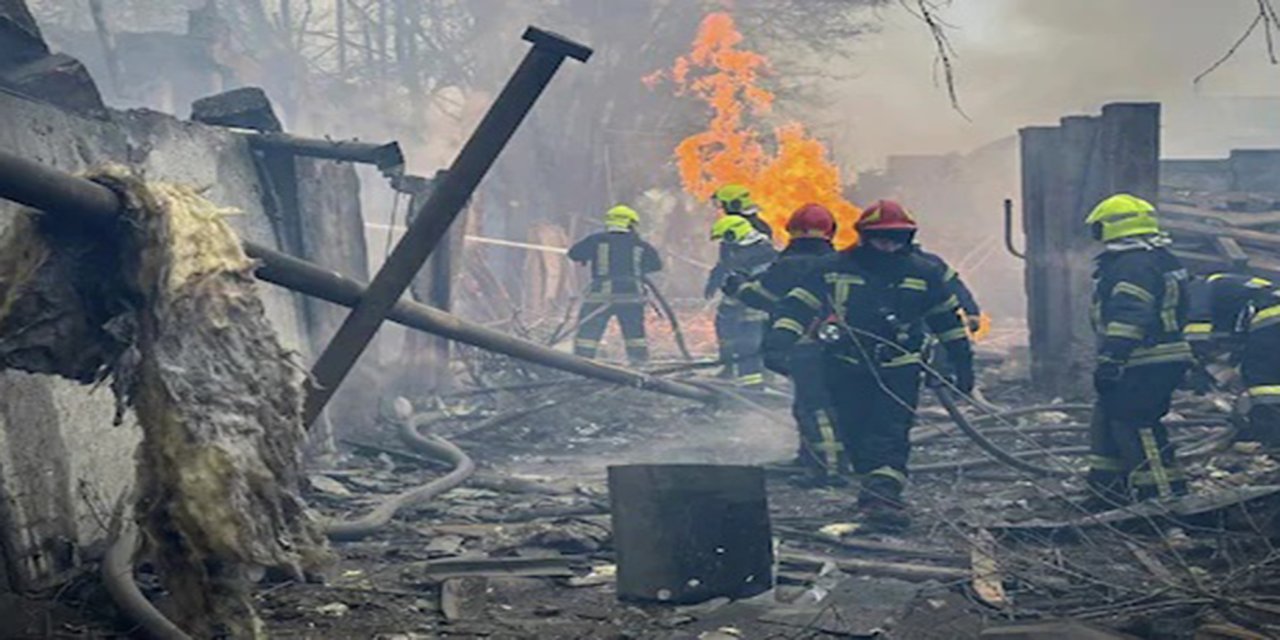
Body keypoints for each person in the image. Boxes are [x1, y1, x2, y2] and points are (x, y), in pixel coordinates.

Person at [764, 199, 974, 530]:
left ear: (907, 238)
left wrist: (962, 362)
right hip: (845, 366)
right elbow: (798, 306)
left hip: (899, 368)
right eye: (880, 238)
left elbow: (946, 319)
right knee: (855, 433)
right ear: (863, 236)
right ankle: (871, 491)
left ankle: (885, 499)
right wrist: (777, 343)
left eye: (895, 238)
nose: (887, 245)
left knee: (889, 432)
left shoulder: (923, 272)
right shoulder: (834, 267)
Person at [1084, 194, 1193, 507]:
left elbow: (1132, 314)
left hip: (1145, 360)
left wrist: (1111, 359)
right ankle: (1107, 494)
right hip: (1150, 359)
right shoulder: (1156, 258)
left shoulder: (1133, 265)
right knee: (1108, 420)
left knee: (1137, 425)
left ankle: (1164, 499)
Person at [723, 203, 841, 483]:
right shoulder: (840, 262)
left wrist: (738, 287)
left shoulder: (789, 265)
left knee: (814, 406)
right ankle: (809, 458)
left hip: (803, 344)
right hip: (836, 344)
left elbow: (766, 296)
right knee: (817, 403)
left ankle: (827, 469)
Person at [1185, 272, 1280, 447]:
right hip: (1269, 318)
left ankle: (1270, 433)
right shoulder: (1229, 284)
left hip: (1270, 319)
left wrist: (1193, 363)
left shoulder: (1196, 288)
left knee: (1264, 383)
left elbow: (1197, 330)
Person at [567, 205, 662, 364]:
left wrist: (589, 257)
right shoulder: (640, 245)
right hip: (631, 298)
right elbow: (656, 265)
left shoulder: (595, 240)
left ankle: (581, 364)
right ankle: (640, 367)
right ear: (630, 224)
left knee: (588, 335)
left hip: (600, 297)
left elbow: (574, 254)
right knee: (635, 336)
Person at [706, 214, 777, 388]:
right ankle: (765, 381)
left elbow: (738, 289)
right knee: (760, 349)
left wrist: (726, 311)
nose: (725, 245)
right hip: (769, 313)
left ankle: (752, 390)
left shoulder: (746, 257)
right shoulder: (768, 251)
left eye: (725, 239)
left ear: (733, 235)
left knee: (747, 350)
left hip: (752, 314)